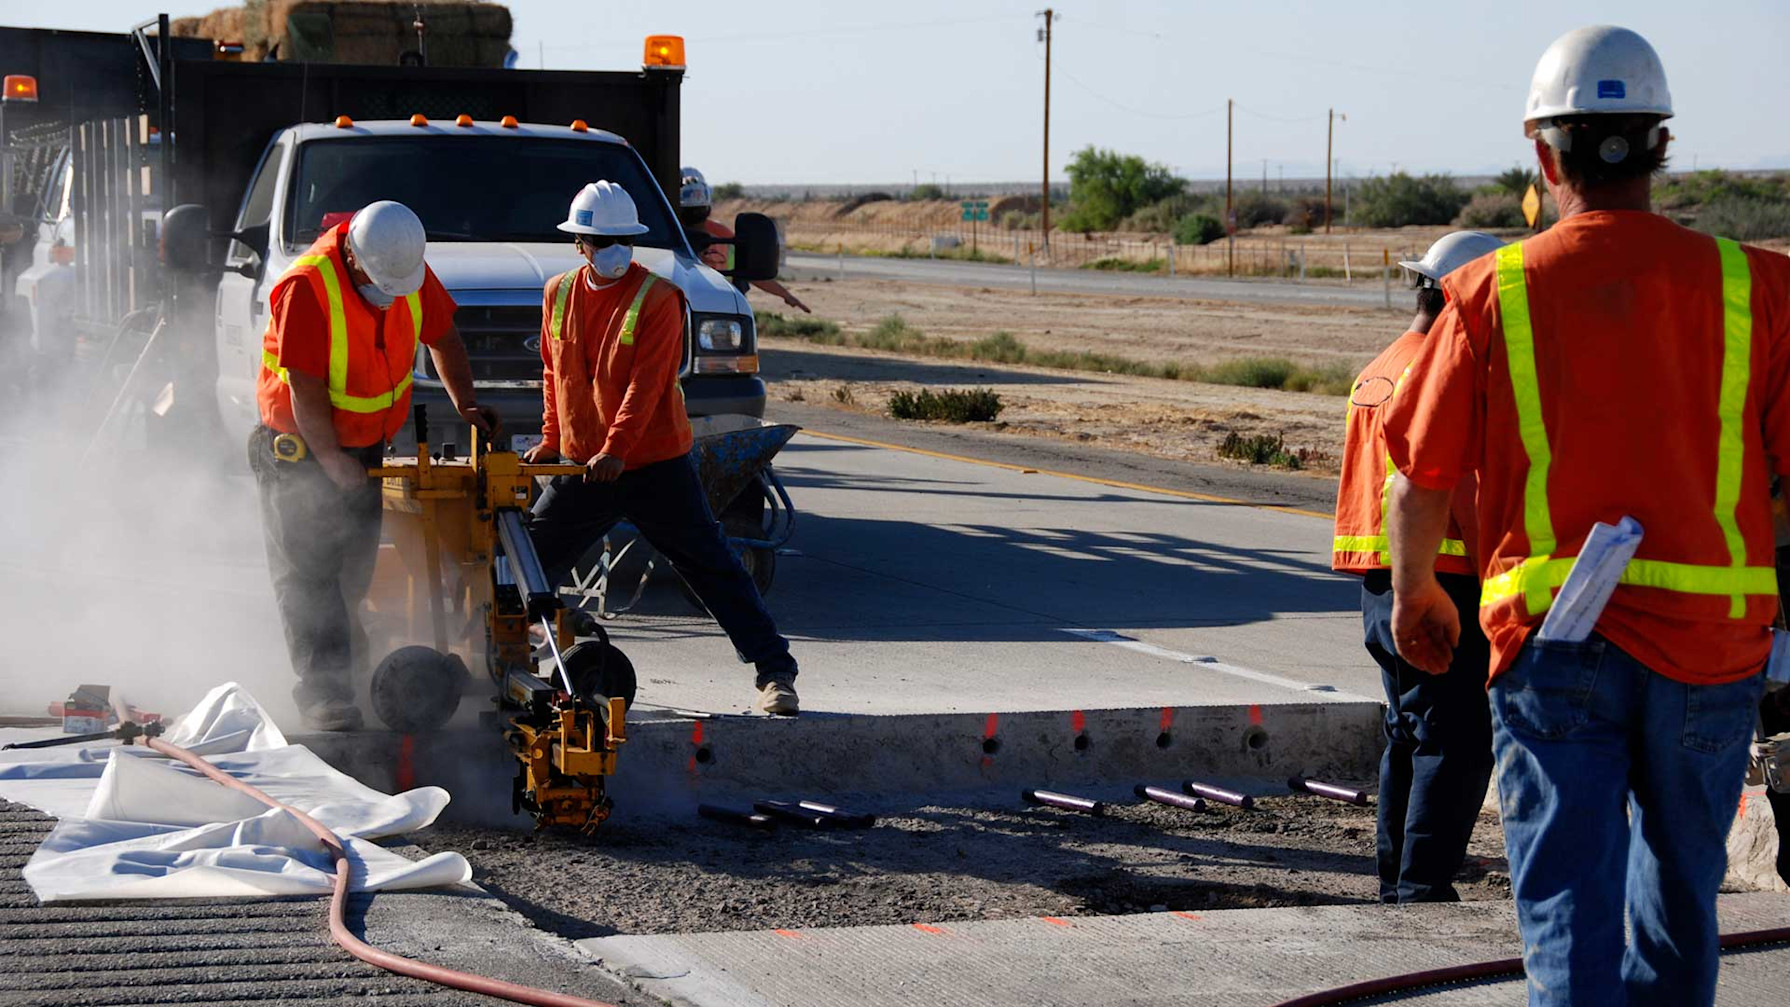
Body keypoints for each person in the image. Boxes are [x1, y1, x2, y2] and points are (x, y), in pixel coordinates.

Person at [1382, 26, 1790, 1006]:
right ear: (1658, 146)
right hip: (1708, 648)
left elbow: (1415, 479)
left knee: (1568, 911)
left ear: (1541, 152)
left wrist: (1412, 599)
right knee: (1681, 907)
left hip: (1553, 645)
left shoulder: (1488, 292)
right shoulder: (1757, 288)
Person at [522, 181, 802, 716]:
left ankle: (776, 673)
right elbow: (555, 373)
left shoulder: (659, 297)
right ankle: (502, 656)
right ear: (579, 243)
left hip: (653, 465)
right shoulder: (557, 292)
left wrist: (616, 449)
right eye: (600, 241)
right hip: (585, 465)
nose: (613, 250)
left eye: (621, 239)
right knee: (525, 566)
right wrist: (553, 439)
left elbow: (646, 386)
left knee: (711, 566)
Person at [251, 200, 493, 731]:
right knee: (308, 575)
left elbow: (444, 337)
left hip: (362, 450)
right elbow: (304, 387)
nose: (392, 293)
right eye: (382, 282)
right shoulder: (307, 288)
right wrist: (331, 458)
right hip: (300, 450)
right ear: (356, 259)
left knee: (351, 573)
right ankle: (324, 693)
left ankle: (350, 674)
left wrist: (466, 403)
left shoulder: (403, 265)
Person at [1333, 230, 1503, 904]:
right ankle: (1423, 887)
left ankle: (1398, 879)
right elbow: (1453, 489)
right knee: (1457, 740)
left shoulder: (1379, 368)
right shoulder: (1442, 374)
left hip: (1383, 582)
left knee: (1408, 732)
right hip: (1444, 583)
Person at [677, 166, 810, 313]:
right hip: (716, 310)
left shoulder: (664, 235)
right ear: (708, 207)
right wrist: (786, 295)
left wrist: (785, 294)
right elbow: (753, 272)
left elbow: (751, 271)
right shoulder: (724, 237)